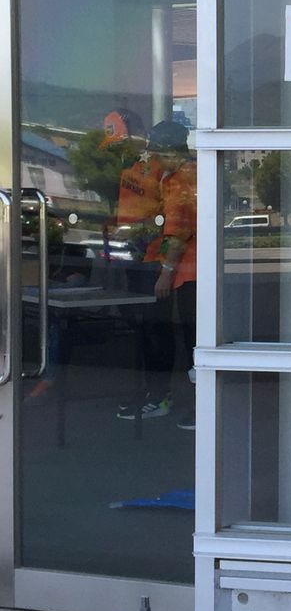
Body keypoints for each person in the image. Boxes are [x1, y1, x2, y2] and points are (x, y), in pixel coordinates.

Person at [117, 120, 197, 427]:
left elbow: (178, 231)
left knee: (193, 338)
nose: (154, 158)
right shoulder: (183, 174)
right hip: (187, 269)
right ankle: (178, 399)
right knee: (186, 336)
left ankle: (199, 405)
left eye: (158, 152)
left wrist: (166, 271)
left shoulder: (182, 179)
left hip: (189, 271)